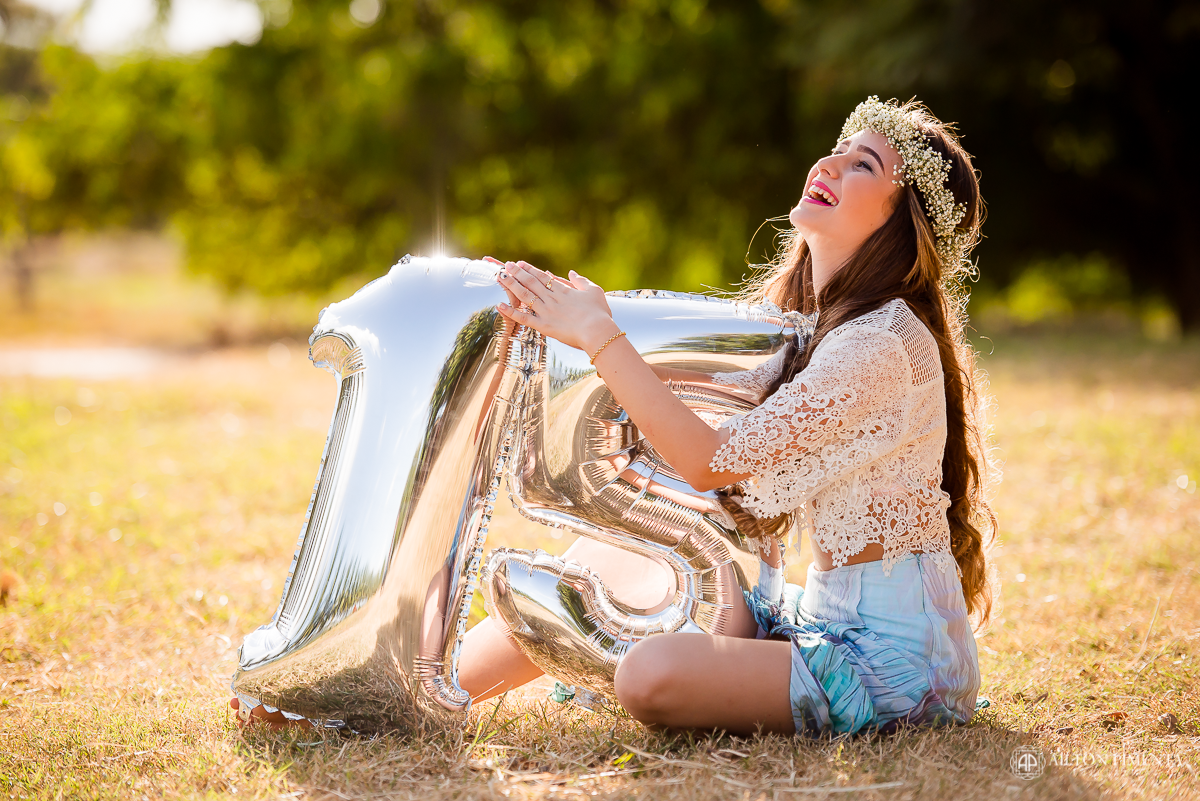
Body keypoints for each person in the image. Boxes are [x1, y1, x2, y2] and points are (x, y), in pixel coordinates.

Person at [233, 96, 996, 737]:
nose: (829, 163)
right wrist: (533, 311)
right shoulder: (811, 321)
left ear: (903, 224)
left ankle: (406, 697)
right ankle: (390, 700)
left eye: (863, 164)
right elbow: (680, 418)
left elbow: (709, 460)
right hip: (815, 618)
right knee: (606, 560)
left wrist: (600, 335)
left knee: (650, 674)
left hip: (889, 664)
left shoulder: (881, 343)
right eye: (838, 148)